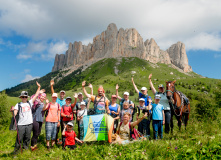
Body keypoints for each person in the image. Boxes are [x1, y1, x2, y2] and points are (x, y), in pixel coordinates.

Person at [13, 82, 42, 154]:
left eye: (25, 97)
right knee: (19, 139)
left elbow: (36, 95)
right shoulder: (18, 104)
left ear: (27, 97)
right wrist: (13, 111)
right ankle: (16, 152)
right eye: (23, 97)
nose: (24, 98)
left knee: (27, 138)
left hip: (29, 124)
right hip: (21, 124)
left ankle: (25, 151)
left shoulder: (30, 103)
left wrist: (39, 87)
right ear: (21, 97)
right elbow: (15, 114)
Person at [50, 80, 66, 145]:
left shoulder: (66, 100)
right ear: (60, 94)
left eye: (63, 94)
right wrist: (51, 86)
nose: (62, 95)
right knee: (56, 130)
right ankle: (55, 142)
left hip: (64, 117)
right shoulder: (57, 99)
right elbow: (53, 93)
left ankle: (63, 142)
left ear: (64, 95)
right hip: (57, 117)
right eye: (61, 93)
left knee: (63, 129)